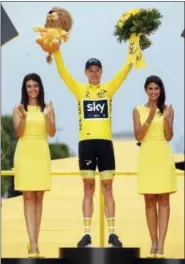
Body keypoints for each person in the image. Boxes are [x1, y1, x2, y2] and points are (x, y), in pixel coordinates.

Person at [52, 48, 133, 248]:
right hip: (86, 144)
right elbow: (63, 73)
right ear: (86, 73)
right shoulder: (80, 90)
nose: (94, 73)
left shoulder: (109, 89)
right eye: (91, 70)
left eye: (97, 70)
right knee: (88, 187)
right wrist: (56, 51)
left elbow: (125, 70)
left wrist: (134, 47)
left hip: (105, 144)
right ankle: (86, 234)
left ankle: (112, 234)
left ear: (101, 72)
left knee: (108, 188)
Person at [133, 75, 176, 258]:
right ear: (145, 90)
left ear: (161, 91)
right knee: (149, 200)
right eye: (150, 89)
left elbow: (168, 136)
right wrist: (150, 117)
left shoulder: (167, 109)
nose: (153, 92)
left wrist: (166, 118)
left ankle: (161, 245)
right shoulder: (137, 110)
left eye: (156, 89)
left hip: (163, 155)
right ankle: (153, 242)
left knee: (164, 200)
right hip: (147, 156)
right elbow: (139, 136)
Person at [13, 73, 56, 258]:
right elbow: (19, 133)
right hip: (25, 153)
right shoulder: (18, 108)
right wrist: (23, 117)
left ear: (40, 88)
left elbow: (52, 132)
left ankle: (35, 240)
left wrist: (47, 116)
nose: (32, 89)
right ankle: (32, 244)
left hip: (41, 152)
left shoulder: (48, 107)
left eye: (35, 85)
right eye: (29, 86)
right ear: (25, 88)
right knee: (28, 197)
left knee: (39, 197)